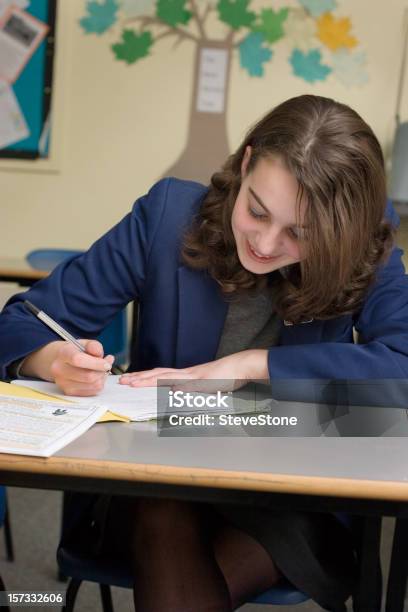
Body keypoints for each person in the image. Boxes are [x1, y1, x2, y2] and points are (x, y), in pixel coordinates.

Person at [0, 94, 407, 611]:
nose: (264, 242)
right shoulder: (167, 217)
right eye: (256, 210)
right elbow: (19, 323)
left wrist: (251, 366)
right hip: (155, 480)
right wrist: (51, 358)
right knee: (164, 512)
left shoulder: (365, 242)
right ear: (246, 161)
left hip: (290, 495)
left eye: (299, 235)